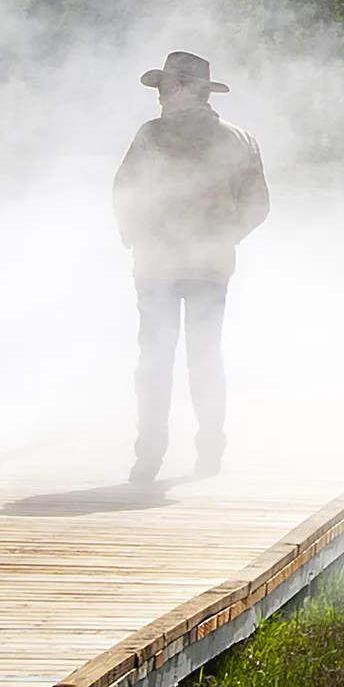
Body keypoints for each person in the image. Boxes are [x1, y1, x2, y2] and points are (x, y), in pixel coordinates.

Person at [112, 50, 270, 482]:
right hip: (203, 265)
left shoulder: (151, 136)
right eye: (161, 87)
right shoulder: (239, 139)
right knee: (200, 357)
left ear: (188, 89)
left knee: (157, 360)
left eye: (166, 86)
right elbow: (258, 204)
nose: (160, 95)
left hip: (160, 265)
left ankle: (150, 456)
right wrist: (223, 236)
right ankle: (208, 450)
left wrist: (138, 237)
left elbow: (124, 192)